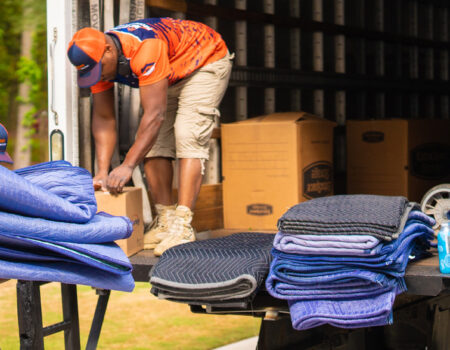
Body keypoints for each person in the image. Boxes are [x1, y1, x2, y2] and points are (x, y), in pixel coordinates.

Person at [67, 18, 233, 256]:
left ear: (109, 50)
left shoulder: (145, 47)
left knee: (187, 133)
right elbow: (104, 119)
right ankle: (166, 221)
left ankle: (182, 226)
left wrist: (127, 165)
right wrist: (102, 171)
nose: (98, 76)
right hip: (170, 71)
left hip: (202, 59)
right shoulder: (96, 62)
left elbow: (155, 115)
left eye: (98, 69)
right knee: (152, 145)